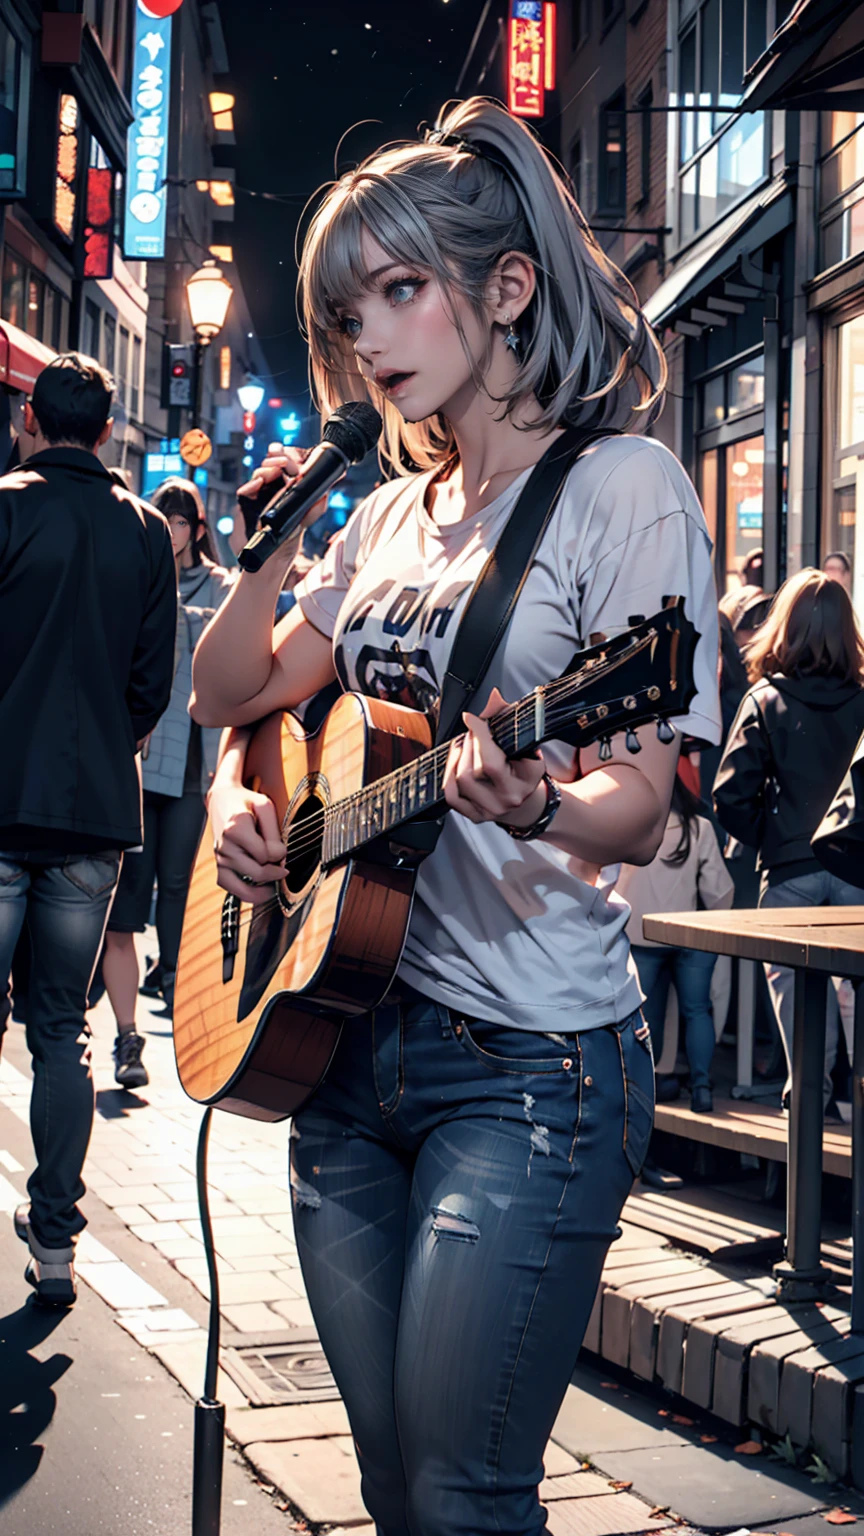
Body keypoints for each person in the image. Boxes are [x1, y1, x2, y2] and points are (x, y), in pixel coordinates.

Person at [190, 97, 721, 1536]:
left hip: (529, 1068)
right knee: (387, 1492)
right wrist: (253, 796)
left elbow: (649, 803)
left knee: (461, 1494)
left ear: (507, 286)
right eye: (350, 308)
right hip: (342, 1047)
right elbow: (233, 691)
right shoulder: (383, 522)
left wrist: (543, 797)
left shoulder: (626, 490)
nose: (369, 336)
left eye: (401, 288)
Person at [0, 353, 175, 1305]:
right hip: (94, 811)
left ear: (31, 417)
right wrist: (113, 740)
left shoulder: (5, 507)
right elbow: (154, 681)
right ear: (107, 432)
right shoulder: (146, 533)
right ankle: (58, 1238)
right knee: (61, 1031)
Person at [714, 569, 864, 1113]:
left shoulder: (764, 698)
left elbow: (730, 796)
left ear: (786, 625)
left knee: (799, 1007)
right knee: (855, 996)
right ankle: (852, 1104)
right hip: (855, 873)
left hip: (789, 873)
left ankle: (808, 1104)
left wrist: (774, 839)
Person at [102, 477, 234, 1084]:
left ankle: (179, 980)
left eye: (179, 521)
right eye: (164, 517)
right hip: (143, 761)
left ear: (197, 530)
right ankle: (126, 1027)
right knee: (130, 888)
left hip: (191, 766)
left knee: (179, 881)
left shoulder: (221, 585)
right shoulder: (139, 576)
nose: (170, 528)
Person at [619, 775, 734, 1115]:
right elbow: (720, 892)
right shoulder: (698, 828)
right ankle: (701, 1089)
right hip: (689, 935)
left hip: (641, 937)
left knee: (642, 1015)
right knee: (698, 1010)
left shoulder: (627, 827)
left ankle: (646, 1090)